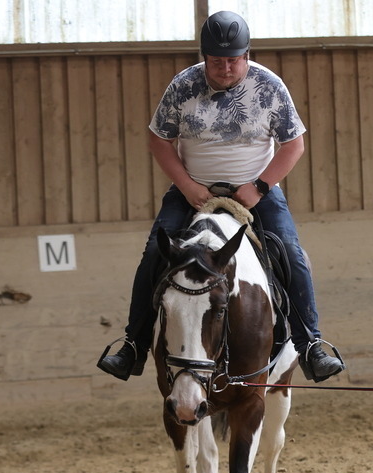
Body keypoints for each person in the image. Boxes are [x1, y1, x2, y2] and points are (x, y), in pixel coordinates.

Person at [97, 10, 345, 383]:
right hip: (193, 189)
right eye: (217, 62)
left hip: (256, 190)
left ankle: (310, 343)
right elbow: (159, 140)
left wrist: (259, 187)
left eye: (233, 61)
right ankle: (133, 345)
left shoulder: (270, 86)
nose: (225, 69)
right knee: (154, 253)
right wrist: (187, 186)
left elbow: (294, 145)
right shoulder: (182, 87)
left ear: (246, 56)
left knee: (291, 253)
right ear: (204, 57)